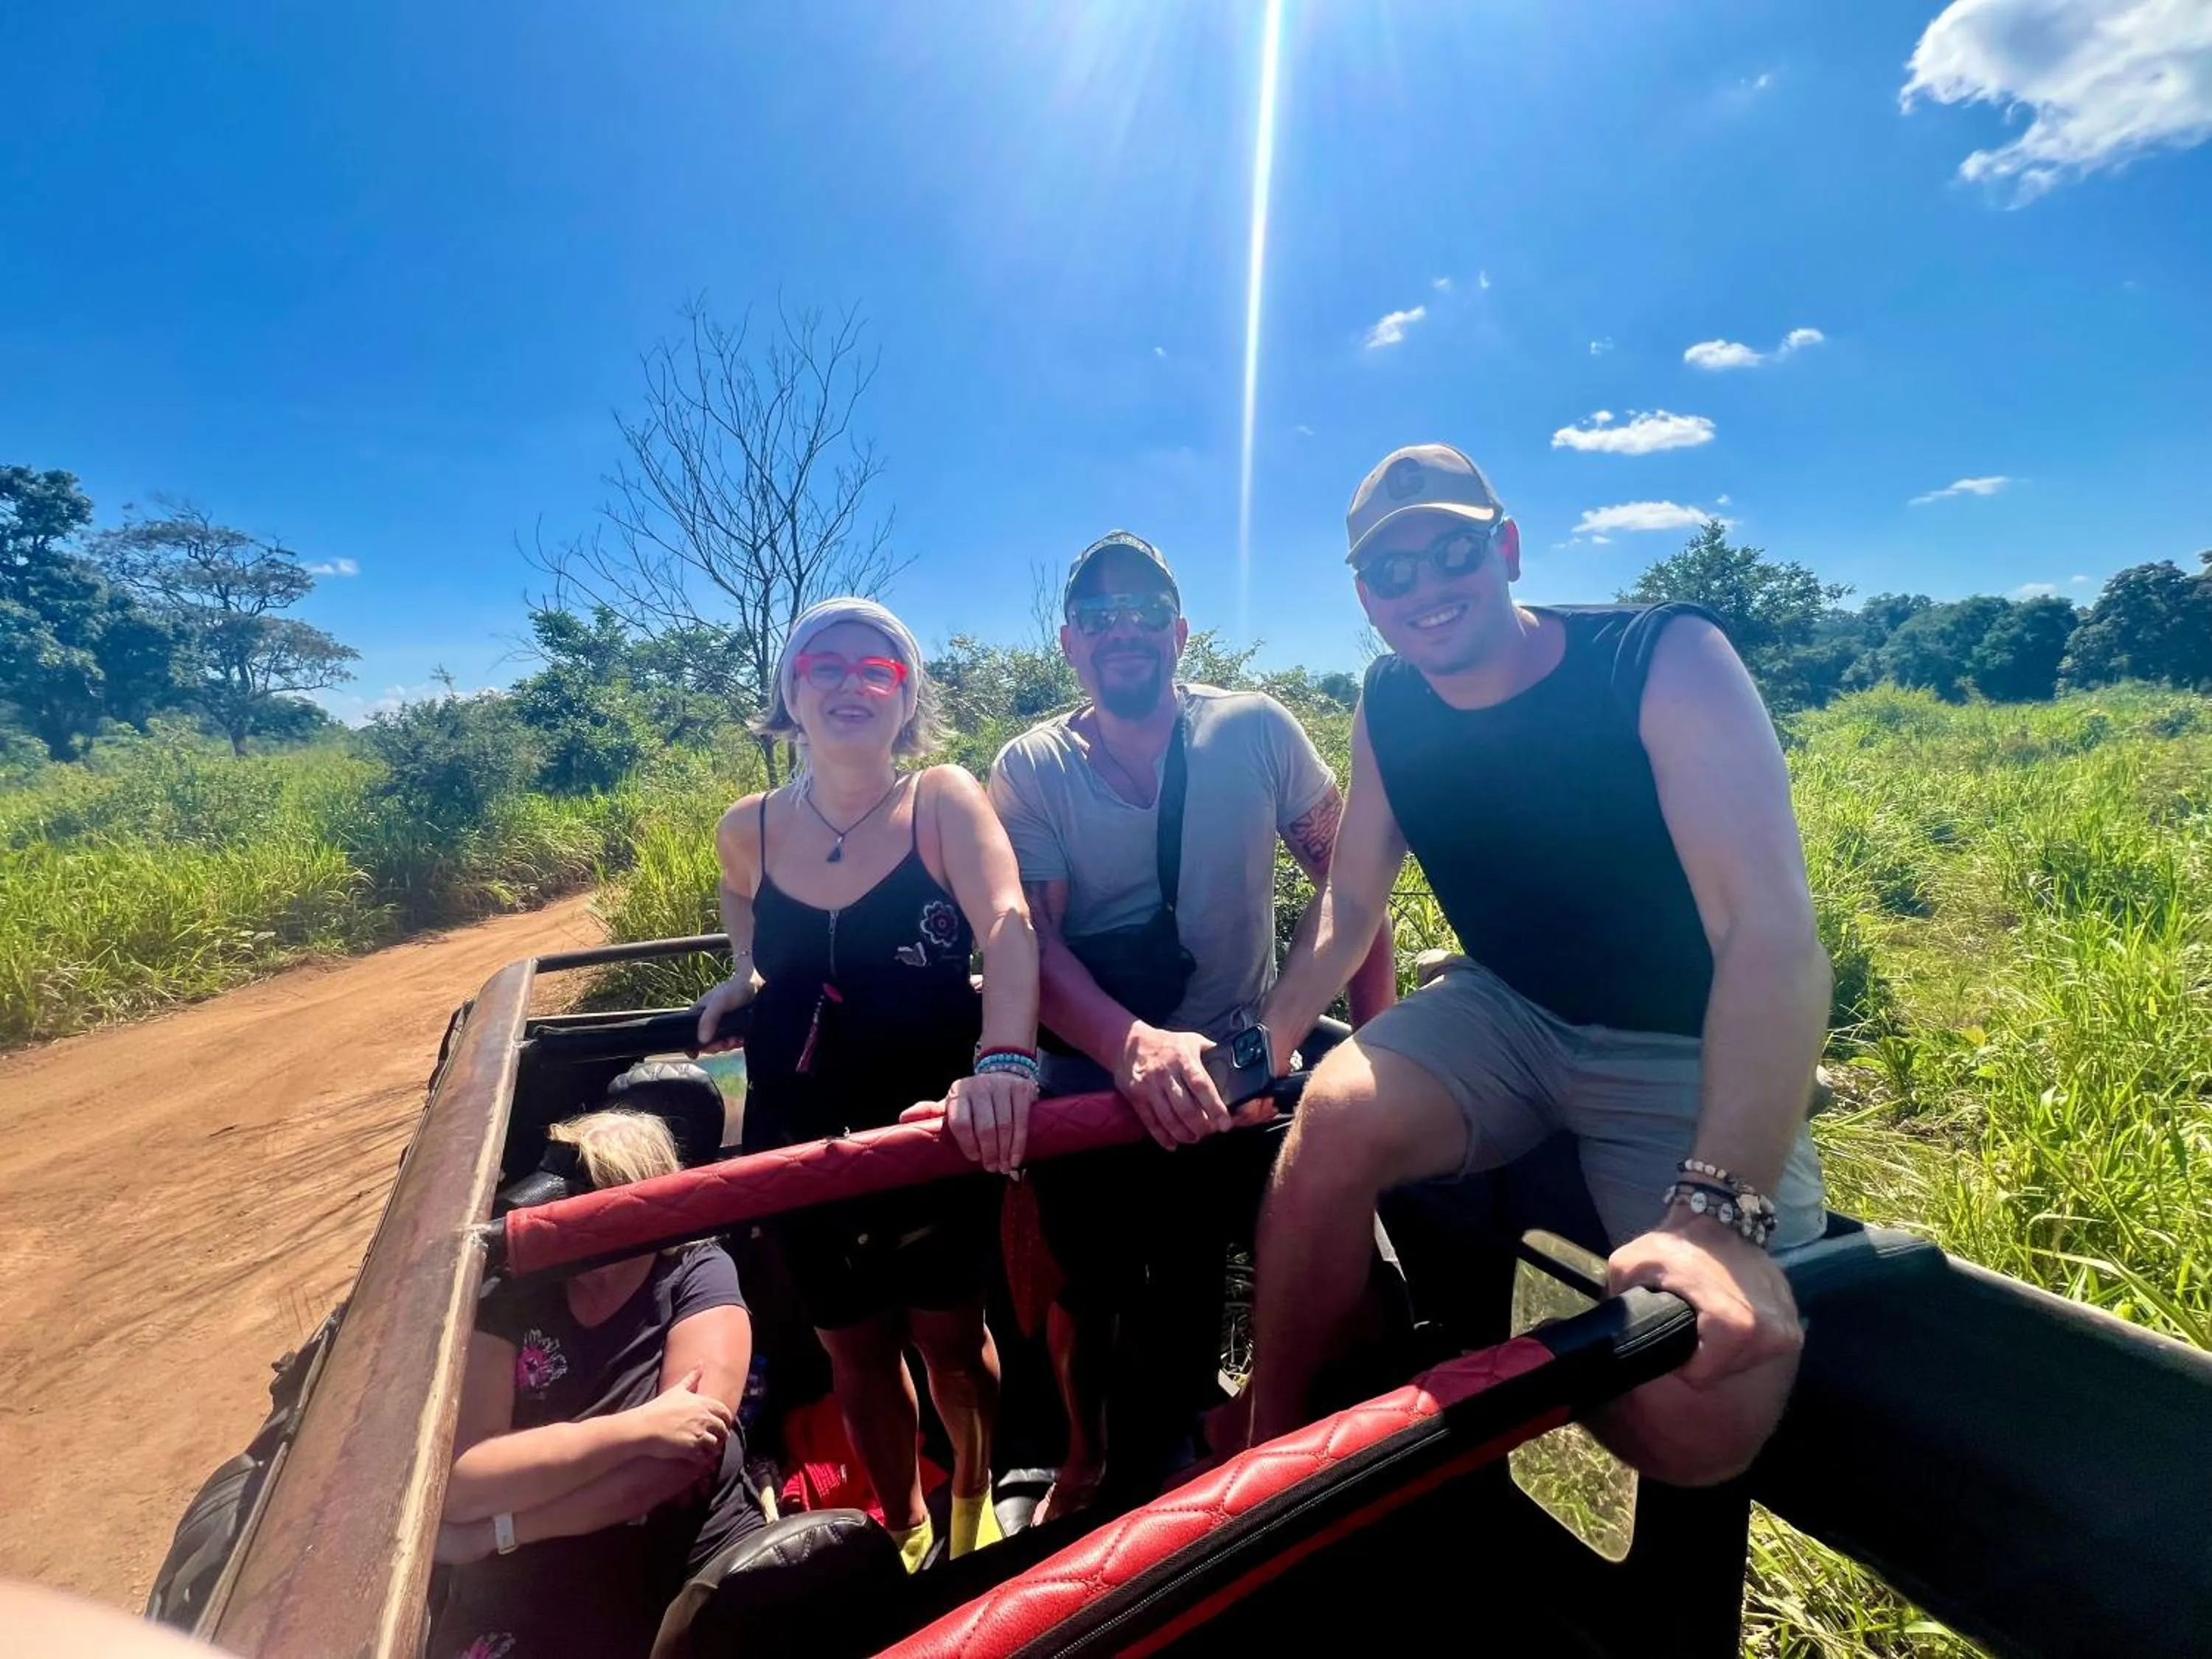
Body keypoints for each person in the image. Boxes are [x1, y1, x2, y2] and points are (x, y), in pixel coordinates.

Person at [1239, 444, 1829, 1486]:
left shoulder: (1662, 661)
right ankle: (1262, 1457)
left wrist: (1716, 1210)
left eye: (1453, 549)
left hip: (1683, 1040)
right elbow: (1350, 896)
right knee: (1327, 1122)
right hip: (1509, 1007)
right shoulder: (1391, 701)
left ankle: (1463, 1377)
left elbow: (1769, 935)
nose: (1426, 587)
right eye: (1392, 571)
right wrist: (1266, 1043)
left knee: (1708, 1430)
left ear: (1505, 548)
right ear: (1367, 597)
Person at [987, 531, 1396, 1518]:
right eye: (1097, 616)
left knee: (1359, 1273)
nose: (1120, 629)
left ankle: (1241, 1430)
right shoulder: (1034, 765)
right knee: (1096, 1287)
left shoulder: (1255, 732)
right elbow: (1034, 943)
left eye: (1141, 613)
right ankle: (1087, 1456)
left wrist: (1380, 1042)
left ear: (1179, 632)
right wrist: (1132, 1046)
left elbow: (1349, 891)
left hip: (1247, 1056)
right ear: (1068, 643)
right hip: (1095, 1062)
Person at [692, 597, 1040, 1571]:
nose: (851, 684)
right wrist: (743, 967)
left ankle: (970, 1503)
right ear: (791, 691)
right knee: (851, 1344)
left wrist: (1005, 1057)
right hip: (801, 1130)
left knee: (951, 1337)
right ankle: (903, 1526)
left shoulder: (942, 800)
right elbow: (738, 901)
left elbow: (1008, 923)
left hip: (930, 1123)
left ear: (907, 697)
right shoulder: (749, 826)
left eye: (878, 669)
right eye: (826, 666)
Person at [431, 1110, 767, 1659]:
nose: (559, 1228)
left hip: (681, 1561)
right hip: (528, 1585)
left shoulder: (694, 1270)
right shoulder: (515, 1292)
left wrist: (497, 1530)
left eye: (581, 1210)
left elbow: (678, 1460)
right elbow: (462, 1480)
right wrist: (639, 1428)